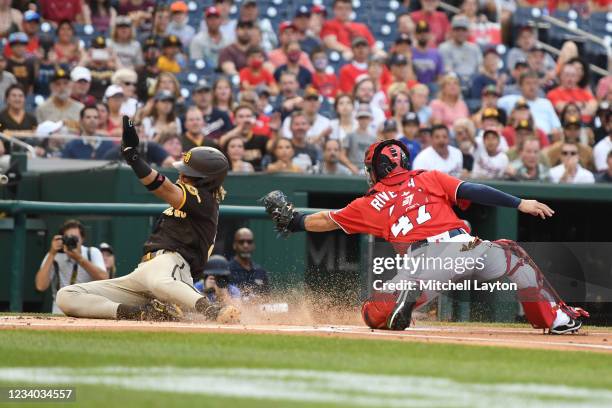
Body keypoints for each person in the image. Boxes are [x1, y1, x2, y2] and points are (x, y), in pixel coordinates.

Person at [261, 140, 589, 334]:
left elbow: (324, 220)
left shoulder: (368, 202)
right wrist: (520, 203)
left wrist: (293, 222)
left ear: (375, 169)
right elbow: (473, 189)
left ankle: (403, 303)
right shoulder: (428, 177)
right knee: (512, 256)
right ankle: (557, 317)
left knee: (372, 314)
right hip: (466, 246)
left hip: (423, 264)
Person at [56, 118, 239, 323]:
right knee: (67, 296)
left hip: (173, 265)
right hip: (144, 272)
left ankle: (212, 311)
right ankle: (142, 313)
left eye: (187, 174)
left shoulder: (205, 200)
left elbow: (163, 188)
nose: (181, 175)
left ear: (205, 179)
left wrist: (133, 156)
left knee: (160, 282)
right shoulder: (194, 200)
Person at [35, 219, 107, 314]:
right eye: (68, 238)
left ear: (82, 239)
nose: (71, 241)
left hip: (87, 308)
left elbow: (104, 278)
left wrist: (79, 259)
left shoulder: (92, 252)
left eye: (75, 238)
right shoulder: (54, 256)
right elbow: (40, 286)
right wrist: (52, 253)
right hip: (60, 310)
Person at [498, 71, 562, 138]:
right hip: (521, 138)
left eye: (535, 83)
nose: (532, 86)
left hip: (546, 138)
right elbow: (491, 103)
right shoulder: (512, 100)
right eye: (528, 83)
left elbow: (557, 126)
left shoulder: (546, 103)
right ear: (520, 86)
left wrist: (554, 132)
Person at [219, 104, 269, 171]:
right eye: (241, 117)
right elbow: (221, 143)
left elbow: (273, 147)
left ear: (253, 119)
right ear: (234, 120)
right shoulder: (229, 138)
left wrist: (275, 131)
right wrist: (240, 127)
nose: (245, 120)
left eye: (248, 116)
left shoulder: (261, 139)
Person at [438, 15, 482, 85]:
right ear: (452, 31)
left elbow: (480, 68)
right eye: (457, 30)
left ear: (468, 32)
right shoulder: (444, 47)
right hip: (453, 82)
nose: (461, 33)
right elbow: (447, 71)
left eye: (463, 30)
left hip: (473, 82)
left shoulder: (474, 48)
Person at [228, 228, 270, 297]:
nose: (245, 245)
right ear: (234, 245)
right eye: (241, 242)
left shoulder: (260, 271)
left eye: (249, 242)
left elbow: (267, 298)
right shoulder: (227, 270)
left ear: (253, 245)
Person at [343, 104, 376, 173]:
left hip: (368, 171)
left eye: (366, 117)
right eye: (361, 117)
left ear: (370, 119)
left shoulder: (374, 138)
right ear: (357, 118)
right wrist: (350, 166)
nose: (364, 120)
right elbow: (342, 154)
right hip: (352, 170)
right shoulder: (350, 135)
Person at [411, 21, 444, 86]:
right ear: (415, 35)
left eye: (425, 32)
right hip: (414, 86)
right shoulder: (410, 52)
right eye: (419, 32)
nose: (422, 35)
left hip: (431, 88)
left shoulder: (436, 54)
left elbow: (440, 75)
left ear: (430, 35)